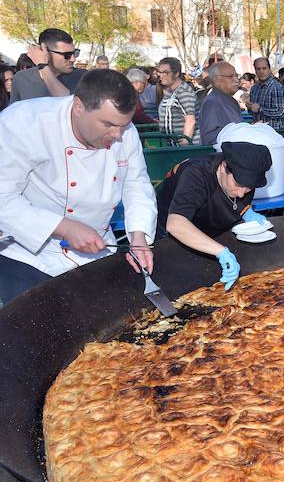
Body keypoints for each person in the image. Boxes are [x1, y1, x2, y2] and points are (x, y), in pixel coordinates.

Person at [0, 69, 157, 306]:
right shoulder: (24, 123)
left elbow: (136, 184)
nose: (117, 135)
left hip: (97, 251)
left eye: (123, 126)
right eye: (108, 124)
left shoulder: (125, 131)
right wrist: (65, 227)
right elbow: (3, 197)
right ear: (78, 107)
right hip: (31, 257)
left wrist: (139, 237)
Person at [155, 142, 272, 291]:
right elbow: (175, 224)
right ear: (223, 167)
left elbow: (236, 199)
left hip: (209, 227)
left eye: (249, 188)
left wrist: (245, 211)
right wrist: (221, 252)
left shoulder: (244, 172)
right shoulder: (195, 174)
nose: (242, 194)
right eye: (238, 184)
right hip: (172, 235)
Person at [10, 28, 86, 102]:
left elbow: (65, 102)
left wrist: (43, 66)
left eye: (75, 53)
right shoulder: (21, 78)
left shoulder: (84, 78)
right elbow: (14, 109)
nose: (73, 59)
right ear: (45, 52)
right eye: (67, 55)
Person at [199, 62, 243, 145]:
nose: (236, 80)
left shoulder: (230, 100)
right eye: (230, 77)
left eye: (236, 76)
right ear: (216, 80)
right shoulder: (212, 103)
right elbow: (211, 139)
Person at [157, 57, 198, 144]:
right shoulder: (170, 91)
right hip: (173, 144)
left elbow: (190, 120)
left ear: (176, 73)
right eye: (159, 72)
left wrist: (185, 142)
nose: (161, 75)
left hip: (187, 146)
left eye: (165, 72)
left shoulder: (184, 92)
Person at [249, 58, 284, 130]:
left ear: (269, 69)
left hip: (274, 131)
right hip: (258, 130)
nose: (261, 71)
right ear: (255, 70)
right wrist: (250, 107)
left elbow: (280, 112)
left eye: (264, 68)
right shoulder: (254, 88)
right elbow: (253, 112)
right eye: (258, 69)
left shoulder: (276, 87)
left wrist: (259, 109)